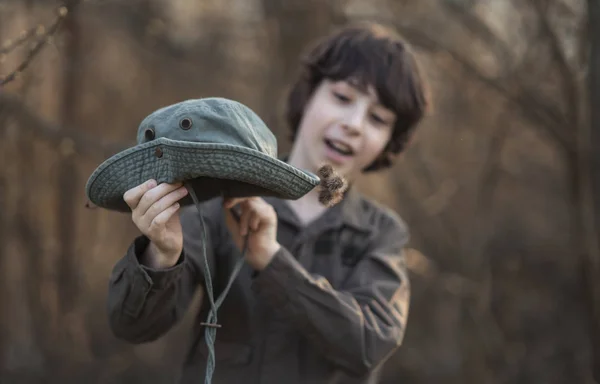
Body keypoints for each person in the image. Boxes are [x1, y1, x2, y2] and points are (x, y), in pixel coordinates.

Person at [106, 21, 429, 384]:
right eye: (342, 97)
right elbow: (132, 326)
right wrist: (161, 257)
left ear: (390, 141)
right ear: (308, 96)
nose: (354, 123)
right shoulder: (218, 201)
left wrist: (272, 262)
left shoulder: (381, 233)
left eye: (378, 118)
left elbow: (370, 346)